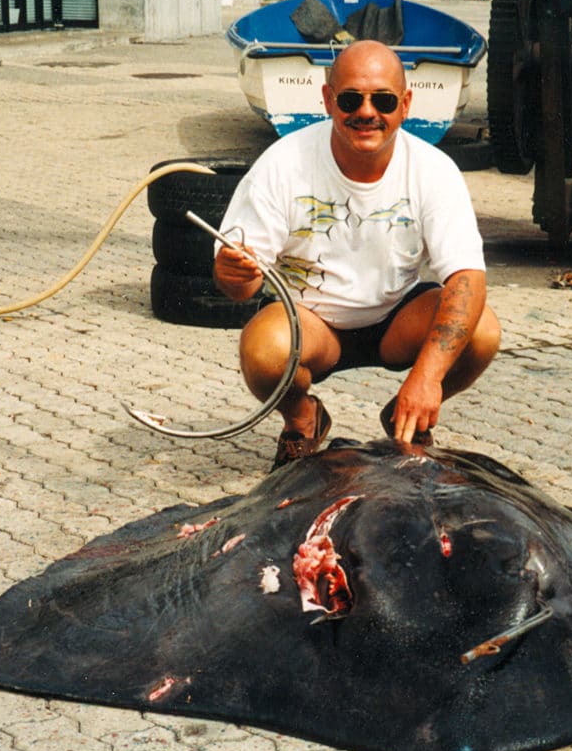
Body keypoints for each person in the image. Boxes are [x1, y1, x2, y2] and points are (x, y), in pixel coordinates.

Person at [214, 39, 501, 469]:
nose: (366, 112)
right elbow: (240, 287)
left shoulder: (434, 169)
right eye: (351, 98)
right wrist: (235, 275)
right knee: (261, 349)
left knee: (482, 330)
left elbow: (467, 278)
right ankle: (302, 419)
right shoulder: (281, 163)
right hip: (311, 322)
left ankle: (408, 417)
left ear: (405, 104)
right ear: (328, 100)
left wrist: (427, 379)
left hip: (395, 320)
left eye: (382, 100)